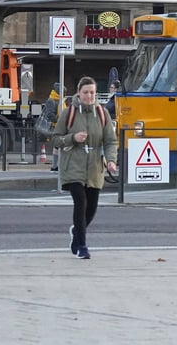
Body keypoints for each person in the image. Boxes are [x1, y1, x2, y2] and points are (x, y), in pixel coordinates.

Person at [51, 76, 118, 259]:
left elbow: (110, 141)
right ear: (79, 93)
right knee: (80, 202)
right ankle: (82, 246)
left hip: (95, 166)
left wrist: (111, 160)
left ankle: (77, 232)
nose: (89, 96)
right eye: (86, 92)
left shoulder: (102, 113)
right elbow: (55, 139)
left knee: (92, 208)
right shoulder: (69, 113)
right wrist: (73, 138)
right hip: (73, 164)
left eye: (92, 93)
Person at [38, 83, 63, 172]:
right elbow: (50, 115)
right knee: (58, 146)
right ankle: (55, 166)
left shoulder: (58, 100)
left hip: (58, 126)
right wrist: (60, 120)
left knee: (57, 147)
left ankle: (55, 166)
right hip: (55, 127)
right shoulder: (52, 100)